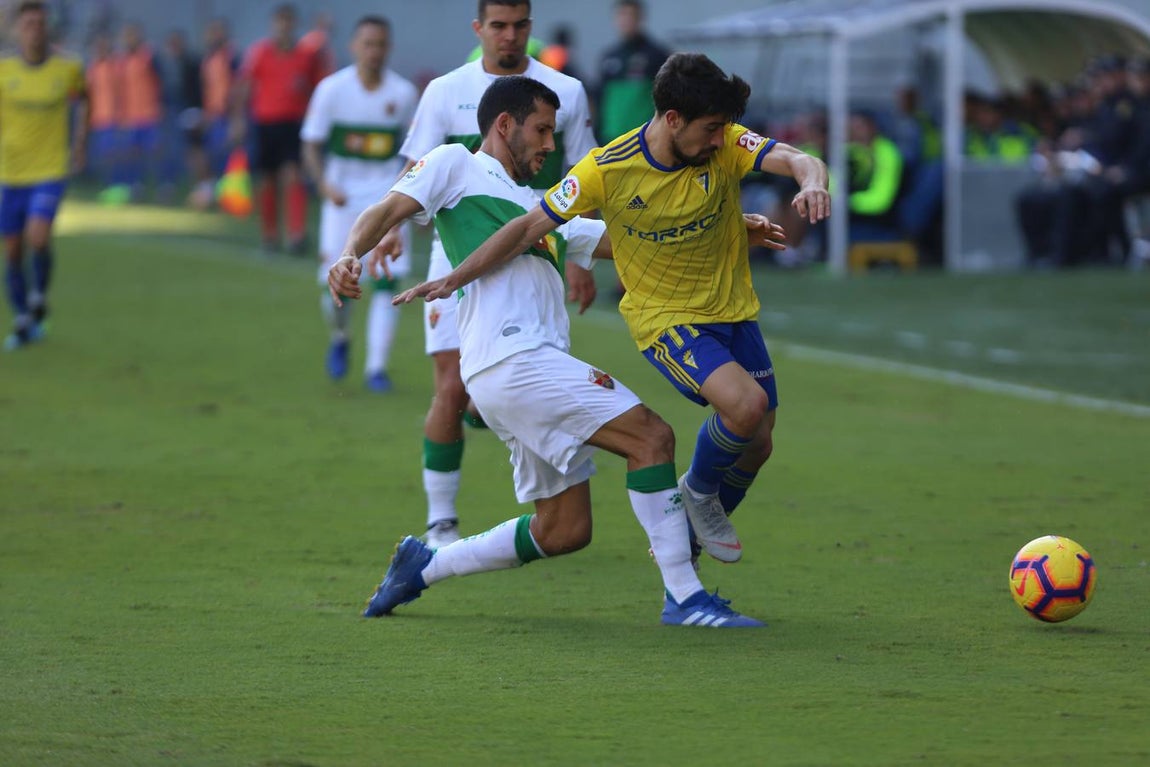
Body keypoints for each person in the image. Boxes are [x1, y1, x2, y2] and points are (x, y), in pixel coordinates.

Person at [331, 75, 769, 627]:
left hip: (518, 369)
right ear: (504, 125)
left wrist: (728, 228)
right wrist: (349, 254)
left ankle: (425, 566)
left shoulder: (542, 208)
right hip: (515, 361)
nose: (549, 144)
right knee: (652, 438)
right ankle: (685, 596)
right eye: (540, 130)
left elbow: (632, 240)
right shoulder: (455, 163)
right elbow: (385, 209)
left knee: (564, 530)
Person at [413, 53, 829, 566]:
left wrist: (811, 182)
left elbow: (794, 157)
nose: (720, 139)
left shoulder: (724, 142)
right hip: (666, 316)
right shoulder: (607, 167)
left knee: (758, 441)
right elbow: (529, 227)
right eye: (711, 129)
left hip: (734, 309)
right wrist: (455, 277)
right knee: (744, 407)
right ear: (673, 119)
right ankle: (697, 496)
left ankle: (688, 538)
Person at [392, 0, 598, 548]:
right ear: (478, 28)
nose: (509, 36)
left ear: (530, 26)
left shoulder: (566, 91)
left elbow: (585, 178)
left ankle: (490, 414)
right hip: (454, 253)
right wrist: (391, 230)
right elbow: (415, 169)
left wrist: (577, 259)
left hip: (538, 251)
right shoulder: (445, 90)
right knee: (449, 386)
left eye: (519, 25)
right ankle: (440, 522)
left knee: (496, 385)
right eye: (498, 26)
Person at [301, 16, 418, 392]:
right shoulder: (331, 90)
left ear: (389, 48)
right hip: (342, 199)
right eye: (367, 43)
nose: (374, 51)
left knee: (386, 280)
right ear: (354, 46)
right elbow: (311, 143)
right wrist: (324, 184)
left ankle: (376, 368)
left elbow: (416, 149)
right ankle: (340, 337)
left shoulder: (403, 93)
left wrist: (406, 194)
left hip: (387, 199)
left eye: (380, 44)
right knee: (336, 282)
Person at [0, 1, 88, 351]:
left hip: (50, 169)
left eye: (39, 23)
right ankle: (24, 319)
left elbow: (85, 99)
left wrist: (80, 142)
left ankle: (38, 293)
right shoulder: (4, 72)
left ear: (47, 27)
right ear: (17, 30)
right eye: (28, 24)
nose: (35, 30)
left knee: (38, 235)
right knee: (12, 251)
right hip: (11, 173)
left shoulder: (67, 69)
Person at [233, 3, 322, 253]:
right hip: (265, 123)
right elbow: (245, 85)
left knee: (293, 176)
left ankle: (296, 234)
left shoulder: (306, 55)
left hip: (293, 123)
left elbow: (318, 90)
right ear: (273, 24)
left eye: (288, 21)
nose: (284, 26)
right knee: (267, 180)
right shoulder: (259, 52)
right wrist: (238, 119)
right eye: (280, 21)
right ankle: (270, 235)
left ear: (294, 25)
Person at [596, 0, 670, 143]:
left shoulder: (657, 55)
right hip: (611, 138)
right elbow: (600, 98)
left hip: (645, 138)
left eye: (631, 15)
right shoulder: (608, 56)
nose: (626, 20)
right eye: (622, 15)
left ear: (640, 18)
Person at [116, 22, 162, 201]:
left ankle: (161, 187)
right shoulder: (122, 61)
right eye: (127, 36)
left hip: (150, 114)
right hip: (130, 116)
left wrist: (160, 106)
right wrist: (121, 114)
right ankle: (136, 186)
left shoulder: (149, 57)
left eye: (132, 35)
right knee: (132, 154)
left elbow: (161, 82)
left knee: (154, 154)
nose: (129, 39)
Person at [846, 110, 905, 242]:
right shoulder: (850, 152)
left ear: (873, 128)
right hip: (851, 215)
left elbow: (881, 200)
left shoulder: (887, 152)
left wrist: (848, 202)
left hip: (880, 221)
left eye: (859, 127)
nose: (855, 132)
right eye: (851, 128)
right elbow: (832, 183)